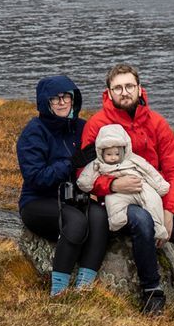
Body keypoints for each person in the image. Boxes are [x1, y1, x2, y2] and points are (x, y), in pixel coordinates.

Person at [80, 63, 174, 315]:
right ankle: (152, 292)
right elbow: (83, 173)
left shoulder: (157, 123)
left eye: (129, 86)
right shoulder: (97, 125)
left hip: (155, 200)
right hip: (117, 203)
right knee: (143, 221)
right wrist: (112, 184)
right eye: (118, 88)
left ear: (139, 88)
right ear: (109, 92)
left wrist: (169, 211)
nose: (124, 92)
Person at [14, 73, 107, 295]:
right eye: (55, 98)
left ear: (74, 99)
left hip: (74, 197)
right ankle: (58, 292)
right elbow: (36, 178)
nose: (62, 102)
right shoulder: (34, 132)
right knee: (76, 222)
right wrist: (70, 164)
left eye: (66, 96)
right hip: (38, 202)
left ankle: (83, 288)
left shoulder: (82, 127)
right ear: (45, 103)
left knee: (100, 217)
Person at [77, 123, 171, 237]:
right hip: (118, 192)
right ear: (101, 152)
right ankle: (116, 221)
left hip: (141, 186)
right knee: (112, 201)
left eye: (117, 154)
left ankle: (158, 227)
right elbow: (86, 178)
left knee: (153, 199)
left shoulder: (133, 159)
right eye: (109, 154)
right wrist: (84, 183)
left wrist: (160, 185)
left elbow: (148, 171)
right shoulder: (98, 163)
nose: (113, 157)